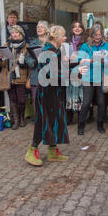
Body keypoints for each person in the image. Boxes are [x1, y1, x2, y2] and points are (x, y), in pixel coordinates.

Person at [25, 26, 75, 166]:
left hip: (54, 92)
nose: (65, 38)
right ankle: (31, 151)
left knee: (55, 120)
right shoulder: (48, 51)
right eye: (63, 36)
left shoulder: (54, 51)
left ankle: (52, 151)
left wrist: (76, 65)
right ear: (55, 37)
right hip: (46, 93)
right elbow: (53, 74)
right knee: (43, 121)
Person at [77, 23, 108, 135]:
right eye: (95, 35)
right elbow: (80, 59)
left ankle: (100, 125)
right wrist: (91, 60)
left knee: (101, 102)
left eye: (100, 34)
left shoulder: (107, 46)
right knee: (86, 102)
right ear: (92, 35)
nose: (98, 37)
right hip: (88, 77)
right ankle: (81, 125)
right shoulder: (85, 46)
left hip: (101, 77)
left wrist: (105, 61)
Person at [0, 25, 29, 130]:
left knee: (21, 100)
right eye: (13, 33)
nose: (15, 35)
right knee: (12, 99)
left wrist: (23, 62)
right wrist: (0, 59)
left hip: (22, 76)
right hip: (10, 77)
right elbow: (3, 65)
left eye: (17, 33)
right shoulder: (6, 46)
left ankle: (22, 117)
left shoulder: (26, 47)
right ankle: (16, 121)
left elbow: (29, 65)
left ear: (21, 34)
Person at [25, 20, 49, 123]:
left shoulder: (50, 41)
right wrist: (34, 62)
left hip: (48, 75)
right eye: (38, 27)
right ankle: (39, 119)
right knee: (36, 99)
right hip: (36, 75)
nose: (39, 28)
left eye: (42, 27)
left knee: (48, 99)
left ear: (47, 29)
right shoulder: (33, 43)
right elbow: (27, 58)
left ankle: (48, 118)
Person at [66, 21, 88, 125]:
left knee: (80, 95)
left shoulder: (86, 42)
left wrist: (78, 59)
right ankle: (69, 117)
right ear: (72, 29)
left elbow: (89, 57)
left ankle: (81, 118)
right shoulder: (67, 42)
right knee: (69, 94)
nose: (77, 28)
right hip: (69, 71)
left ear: (82, 29)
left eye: (79, 27)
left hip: (81, 71)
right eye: (75, 27)